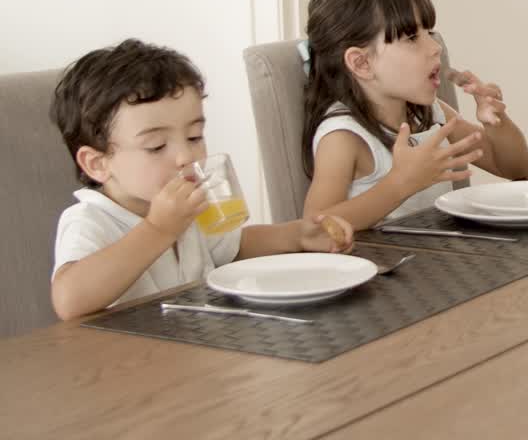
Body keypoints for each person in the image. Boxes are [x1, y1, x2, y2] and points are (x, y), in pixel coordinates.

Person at [50, 39, 354, 320]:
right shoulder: (90, 220)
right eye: (156, 146)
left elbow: (233, 246)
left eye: (194, 136)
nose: (185, 156)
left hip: (193, 349)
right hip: (127, 364)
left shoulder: (188, 205)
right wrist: (158, 229)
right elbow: (69, 300)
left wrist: (297, 235)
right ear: (98, 163)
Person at [301, 0, 528, 230]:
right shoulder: (344, 136)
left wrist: (496, 123)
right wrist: (402, 182)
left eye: (429, 32)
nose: (435, 47)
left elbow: (515, 169)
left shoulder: (430, 114)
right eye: (412, 37)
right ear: (362, 63)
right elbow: (314, 228)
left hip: (437, 260)